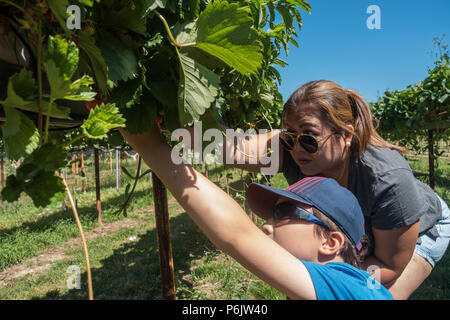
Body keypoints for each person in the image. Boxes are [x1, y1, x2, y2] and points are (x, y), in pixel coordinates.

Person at [216, 80, 450, 300]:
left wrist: (328, 281)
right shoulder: (294, 146)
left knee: (368, 294)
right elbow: (226, 147)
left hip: (423, 229)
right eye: (289, 136)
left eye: (309, 136)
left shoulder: (388, 180)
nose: (297, 148)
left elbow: (389, 265)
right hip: (366, 225)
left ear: (346, 135)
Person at [119, 124, 393, 300]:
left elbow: (237, 235)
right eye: (272, 214)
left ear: (330, 242)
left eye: (285, 212)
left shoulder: (345, 290)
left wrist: (149, 145)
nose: (266, 226)